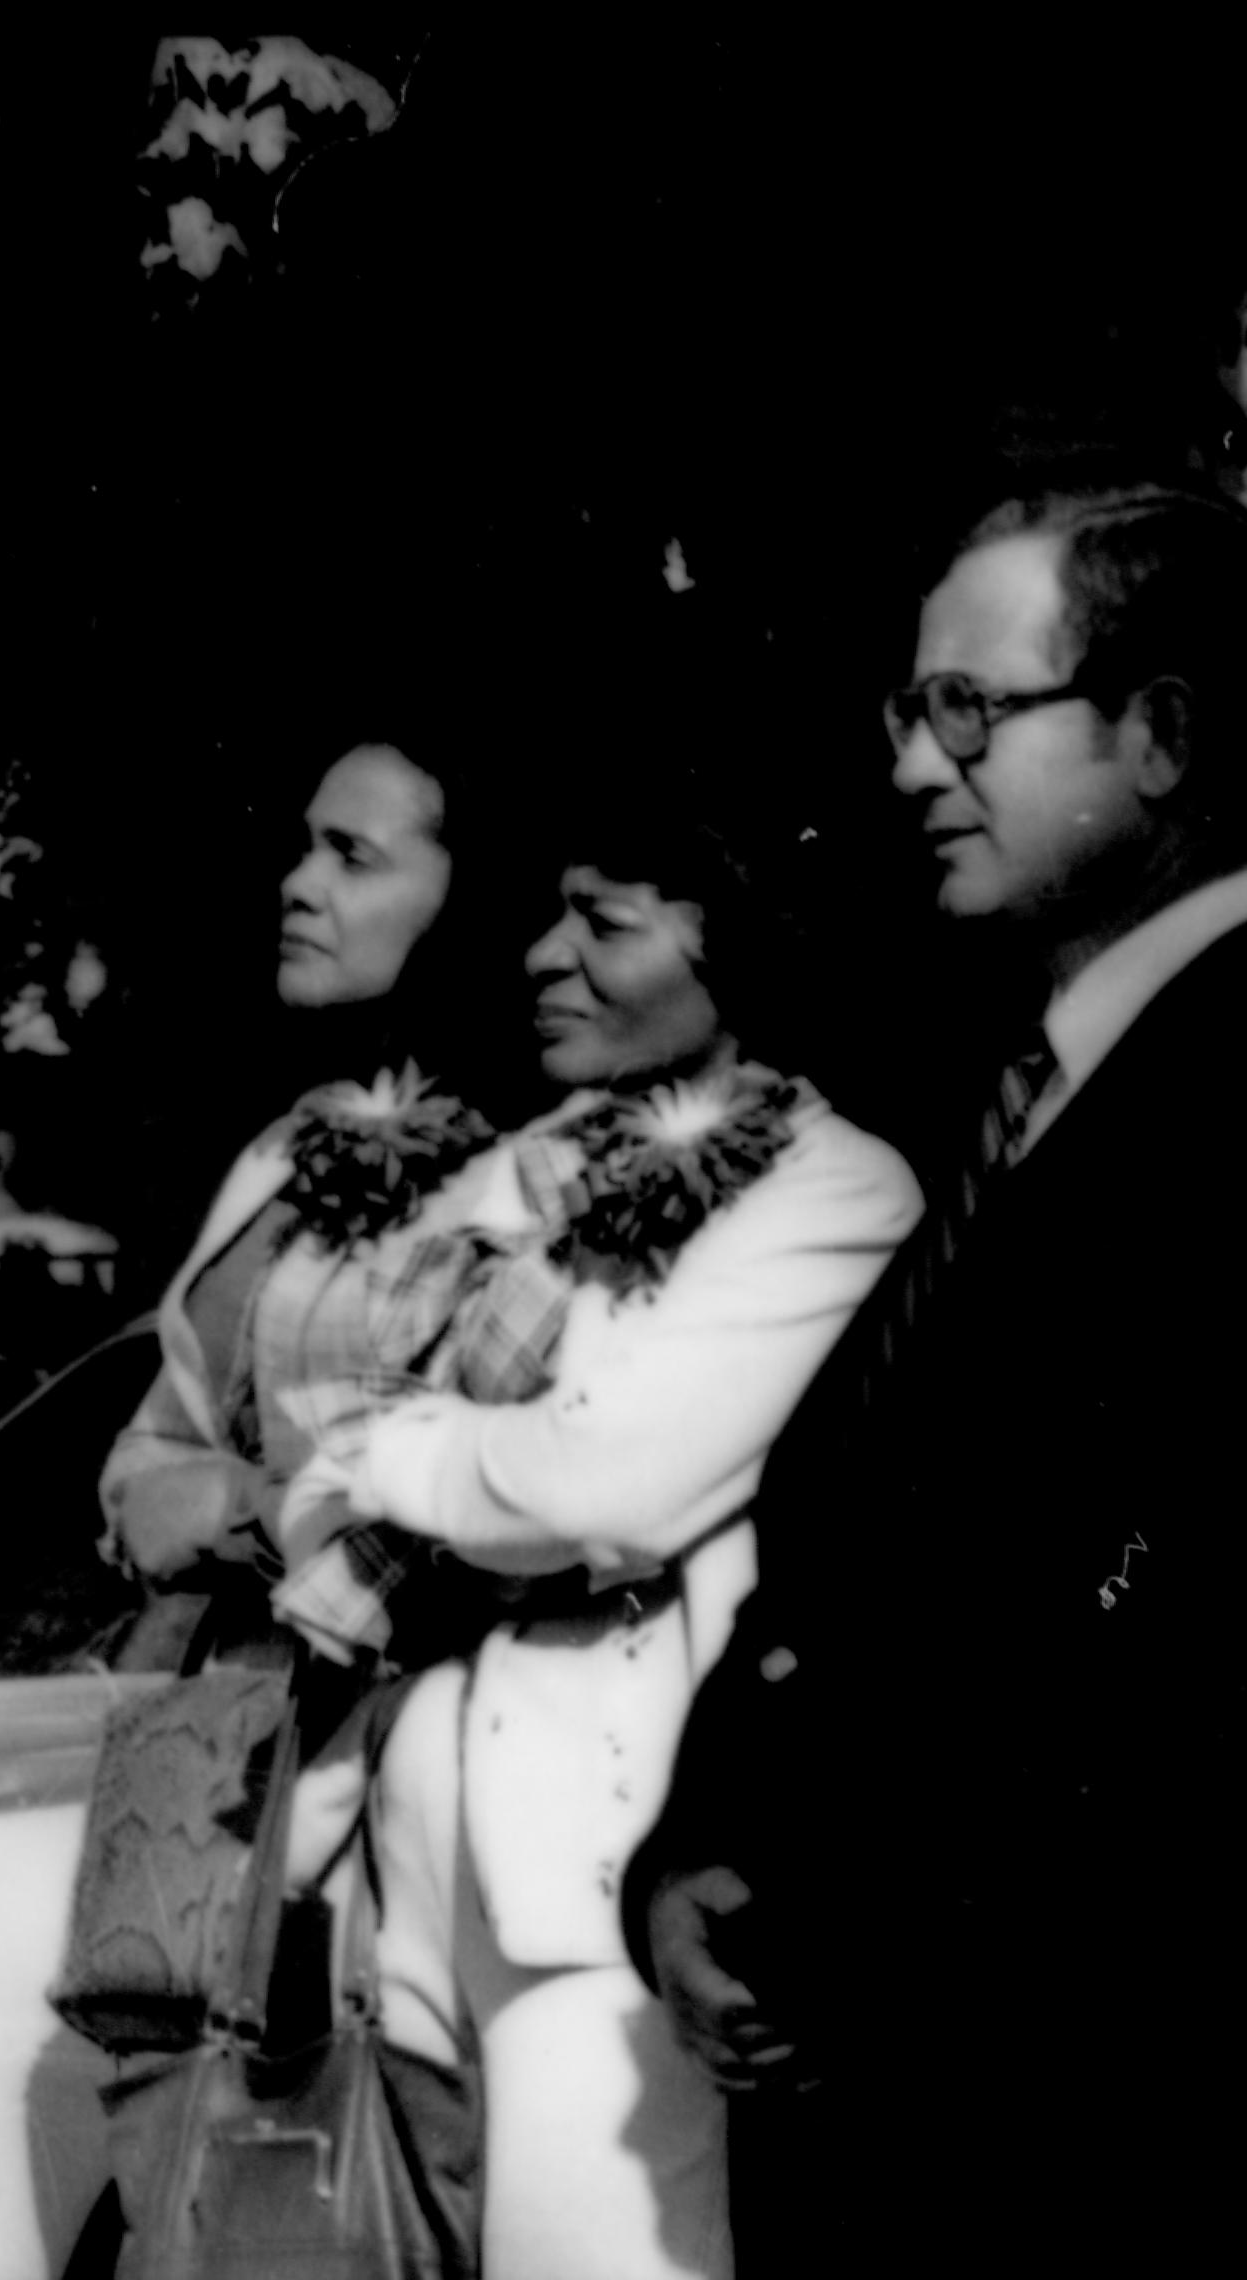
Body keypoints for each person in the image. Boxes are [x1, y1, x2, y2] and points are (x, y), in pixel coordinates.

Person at [624, 482, 1247, 2274]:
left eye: (970, 707)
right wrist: (681, 1864)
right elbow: (833, 1571)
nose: (911, 766)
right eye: (908, 710)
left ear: (1163, 735)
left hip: (1068, 2126)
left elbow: (1170, 1634)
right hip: (887, 2106)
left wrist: (863, 1947)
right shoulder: (1016, 1093)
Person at [272, 792, 919, 2280]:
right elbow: (308, 1410)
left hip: (598, 1855)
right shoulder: (524, 1163)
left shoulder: (832, 1191)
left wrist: (405, 1450)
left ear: (732, 947)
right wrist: (426, 1459)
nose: (545, 955)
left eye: (606, 923)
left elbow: (599, 1484)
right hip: (399, 1841)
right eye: (553, 912)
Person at [85, 732, 524, 2278]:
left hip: (409, 1771)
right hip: (213, 1768)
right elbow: (151, 1454)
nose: (298, 882)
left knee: (389, 2197)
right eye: (302, 846)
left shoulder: (541, 1176)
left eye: (356, 855)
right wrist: (215, 1497)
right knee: (187, 2188)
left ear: (471, 895)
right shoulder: (288, 1148)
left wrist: (259, 1508)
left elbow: (496, 1475)